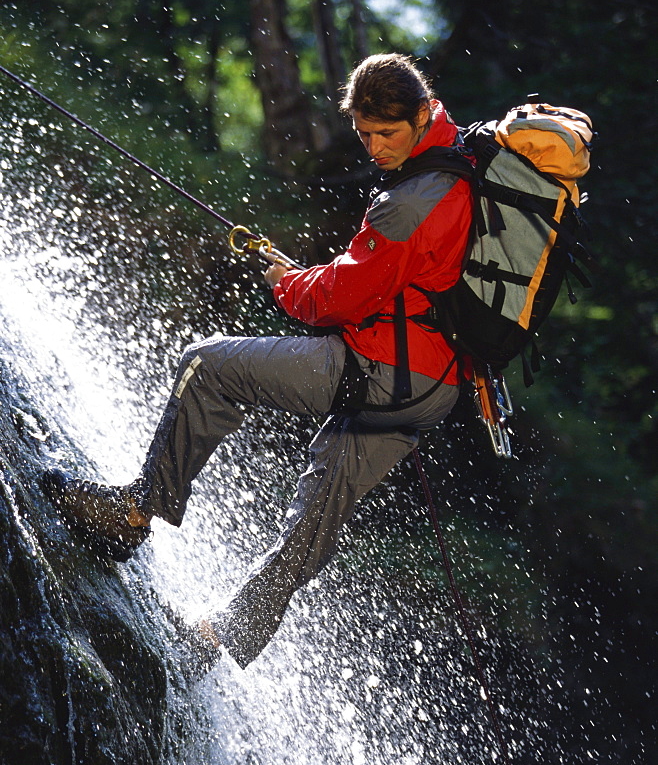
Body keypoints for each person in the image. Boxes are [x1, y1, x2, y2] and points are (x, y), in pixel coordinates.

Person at [44, 53, 473, 675]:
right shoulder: (458, 159)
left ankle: (137, 511)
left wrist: (285, 280)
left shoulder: (409, 203)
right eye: (365, 134)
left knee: (208, 366)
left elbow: (336, 300)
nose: (376, 146)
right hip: (437, 388)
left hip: (381, 369)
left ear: (422, 113)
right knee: (321, 507)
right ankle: (225, 634)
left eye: (388, 133)